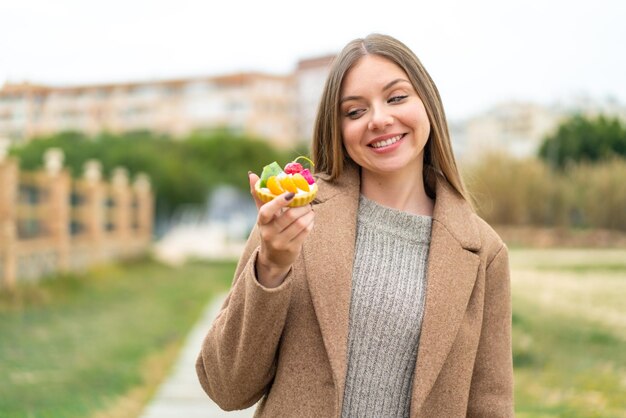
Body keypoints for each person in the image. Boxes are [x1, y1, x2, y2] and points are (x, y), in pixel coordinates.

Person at [196, 33, 513, 417]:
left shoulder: (483, 251)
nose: (379, 119)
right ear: (338, 127)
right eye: (355, 111)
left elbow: (490, 405)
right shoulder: (295, 214)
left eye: (396, 98)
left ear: (427, 103)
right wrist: (272, 266)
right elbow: (227, 388)